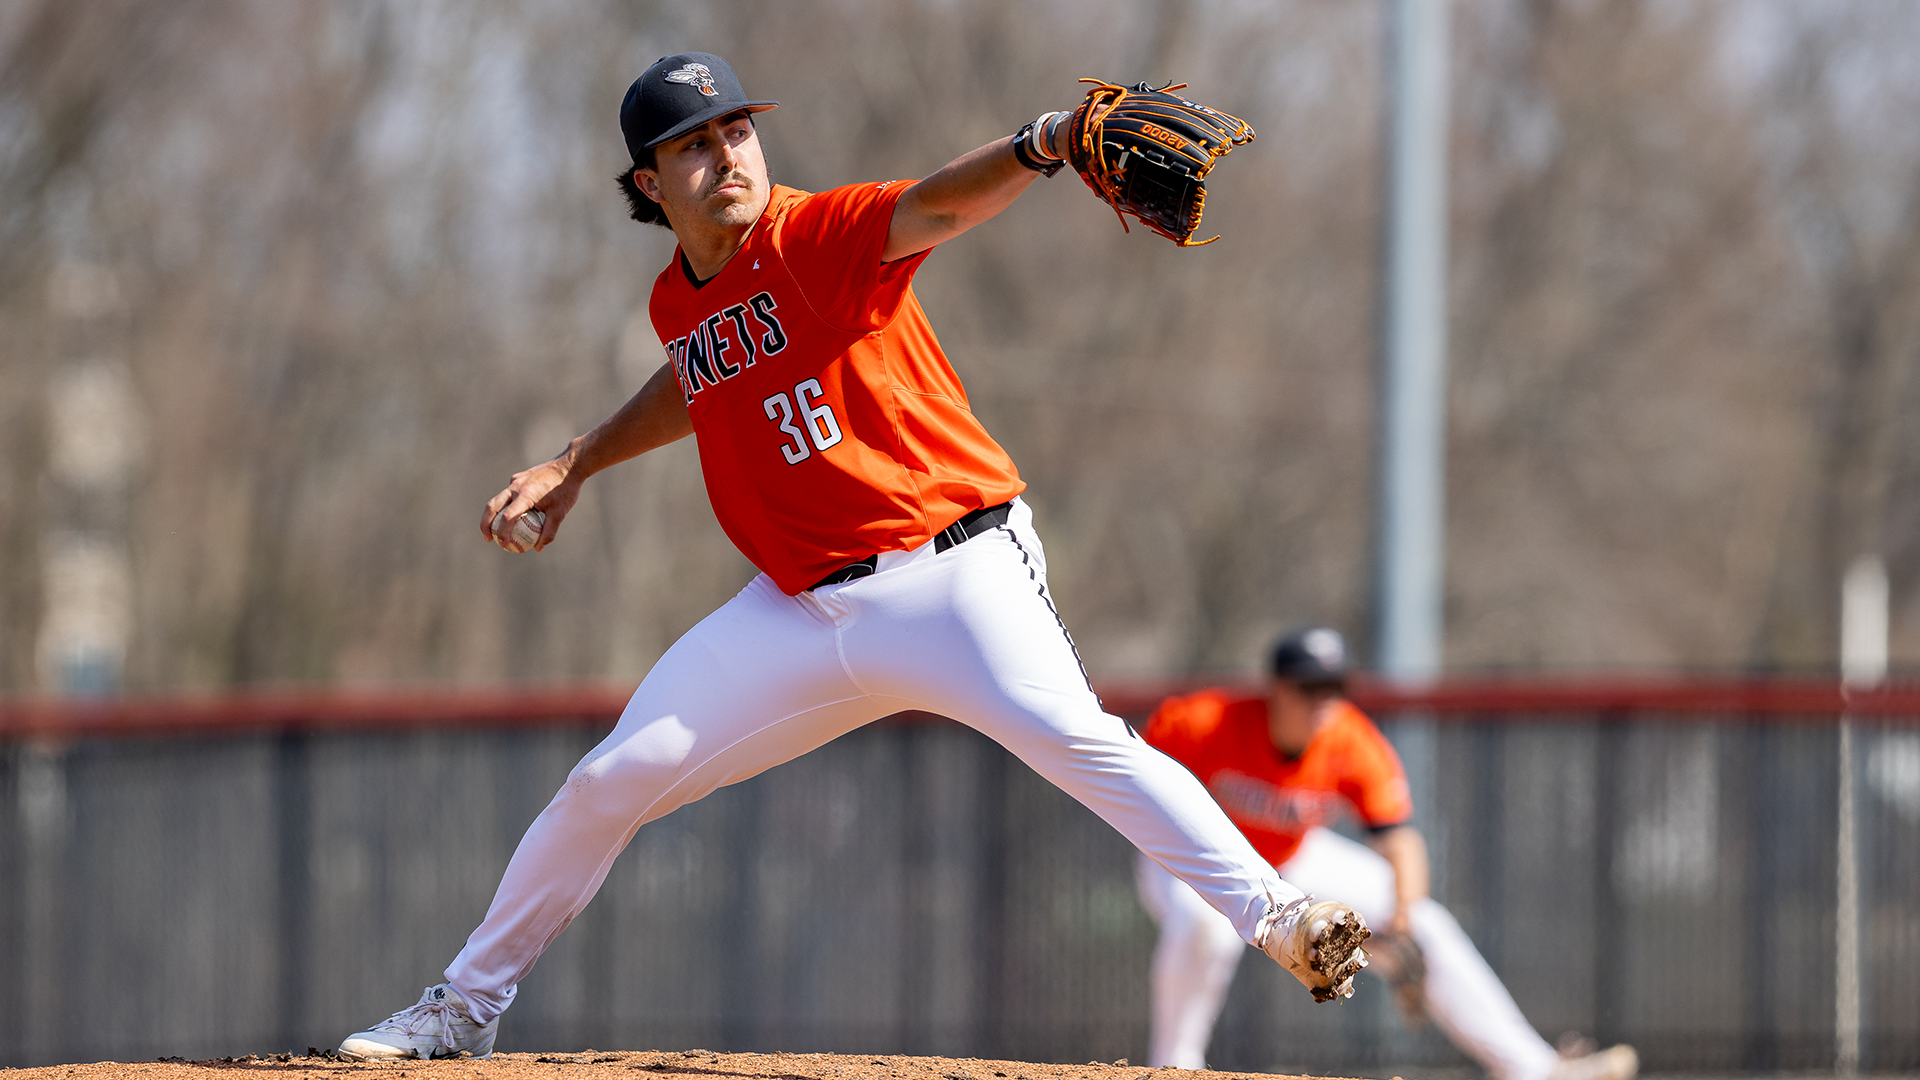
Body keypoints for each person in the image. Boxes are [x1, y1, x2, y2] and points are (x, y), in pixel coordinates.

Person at [336, 52, 1369, 1061]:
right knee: (611, 778)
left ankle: (1282, 919)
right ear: (650, 183)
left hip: (953, 572)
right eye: (693, 145)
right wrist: (577, 462)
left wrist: (1044, 143)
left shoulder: (817, 232)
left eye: (737, 128)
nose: (728, 154)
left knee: (1081, 740)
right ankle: (463, 1007)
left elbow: (937, 206)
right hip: (795, 613)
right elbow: (697, 379)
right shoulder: (679, 302)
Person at [1136, 626, 1639, 1080]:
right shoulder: (1203, 721)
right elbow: (1133, 781)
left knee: (1427, 924)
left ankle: (1532, 1070)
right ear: (1275, 688)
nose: (1323, 701)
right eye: (1309, 687)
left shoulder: (1349, 738)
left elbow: (1400, 838)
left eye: (1333, 687)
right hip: (1192, 860)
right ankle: (1173, 1067)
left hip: (1292, 858)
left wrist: (1399, 921)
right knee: (1205, 928)